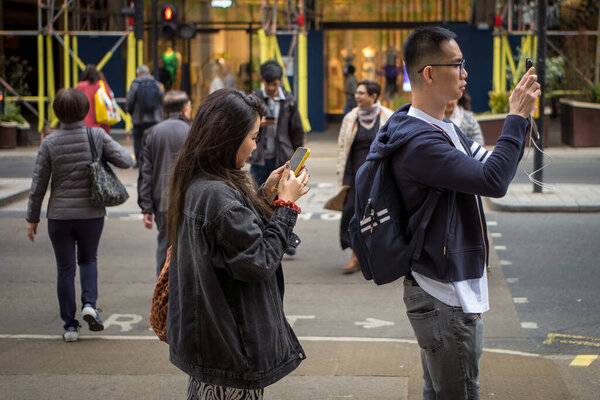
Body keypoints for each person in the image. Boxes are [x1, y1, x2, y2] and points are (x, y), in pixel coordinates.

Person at [369, 26, 540, 398]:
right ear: (429, 73)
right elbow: (494, 182)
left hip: (443, 287)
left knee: (440, 391)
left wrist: (520, 117)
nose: (465, 73)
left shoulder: (442, 127)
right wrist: (515, 117)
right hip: (444, 295)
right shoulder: (420, 142)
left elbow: (494, 167)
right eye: (457, 64)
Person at [166, 88, 309, 398]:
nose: (255, 146)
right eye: (253, 136)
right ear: (228, 137)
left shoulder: (200, 179)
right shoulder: (218, 194)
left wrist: (264, 199)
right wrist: (286, 206)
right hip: (230, 348)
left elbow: (231, 238)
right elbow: (258, 262)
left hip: (213, 343)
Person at [25, 88, 134, 342]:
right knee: (88, 260)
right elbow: (126, 160)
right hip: (91, 213)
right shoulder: (95, 135)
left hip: (59, 216)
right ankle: (89, 304)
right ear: (85, 110)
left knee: (64, 269)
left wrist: (32, 218)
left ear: (57, 113)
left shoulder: (49, 142)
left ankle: (70, 326)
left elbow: (38, 184)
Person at [332, 80, 393, 274]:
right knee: (351, 212)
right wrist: (344, 178)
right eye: (357, 93)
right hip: (355, 176)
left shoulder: (388, 116)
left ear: (373, 96)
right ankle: (355, 255)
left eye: (361, 93)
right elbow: (342, 147)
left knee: (380, 216)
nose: (357, 96)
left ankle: (378, 256)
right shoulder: (351, 118)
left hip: (379, 177)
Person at [139, 90, 192, 277]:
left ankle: (162, 290)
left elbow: (146, 172)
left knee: (164, 245)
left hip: (162, 201)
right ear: (185, 109)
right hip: (188, 199)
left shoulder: (152, 132)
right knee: (187, 247)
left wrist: (146, 207)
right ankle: (181, 288)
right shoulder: (193, 131)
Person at [249, 60, 305, 187]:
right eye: (268, 84)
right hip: (259, 158)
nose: (271, 88)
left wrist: (298, 160)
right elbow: (242, 127)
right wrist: (255, 124)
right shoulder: (254, 98)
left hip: (282, 158)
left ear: (281, 80)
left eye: (274, 84)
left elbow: (297, 132)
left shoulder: (289, 101)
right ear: (262, 80)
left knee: (281, 198)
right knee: (257, 198)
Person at [126, 65, 164, 167]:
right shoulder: (156, 84)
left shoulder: (135, 84)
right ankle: (154, 160)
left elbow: (129, 101)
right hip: (155, 119)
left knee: (138, 140)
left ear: (138, 73)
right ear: (148, 73)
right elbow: (162, 99)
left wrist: (131, 113)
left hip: (139, 119)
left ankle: (139, 161)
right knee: (154, 139)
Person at [76, 64, 113, 134]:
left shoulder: (80, 86)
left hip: (84, 123)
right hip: (101, 123)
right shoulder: (101, 84)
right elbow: (110, 98)